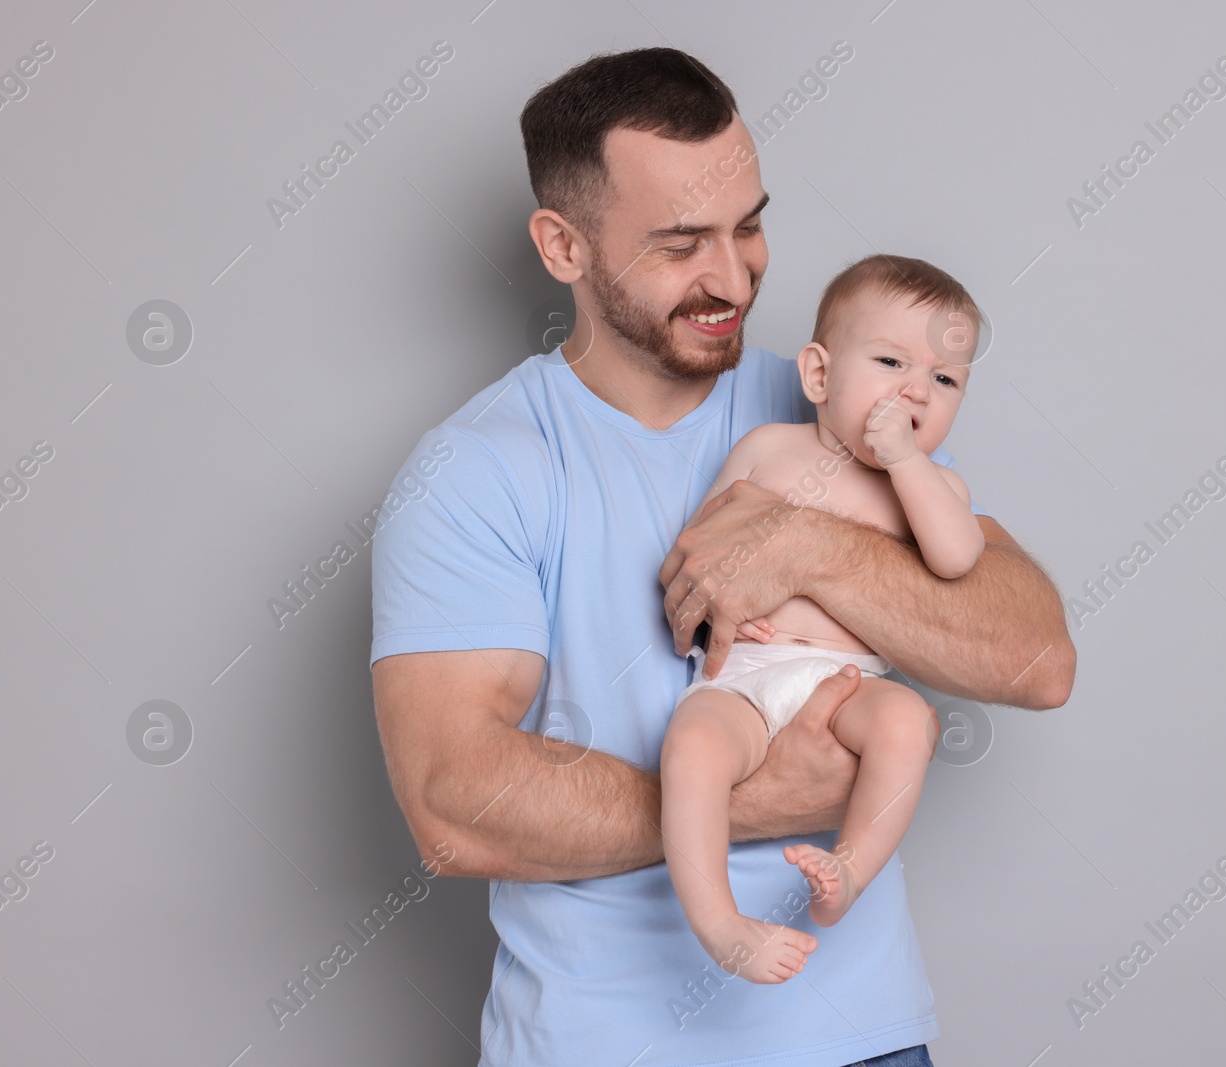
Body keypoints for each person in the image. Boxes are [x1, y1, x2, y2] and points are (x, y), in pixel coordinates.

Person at [370, 46, 1076, 1067]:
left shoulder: (843, 405)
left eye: (749, 224)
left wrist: (805, 543)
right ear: (562, 245)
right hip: (599, 1046)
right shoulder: (476, 472)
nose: (733, 273)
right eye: (680, 242)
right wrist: (758, 798)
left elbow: (1032, 656)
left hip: (858, 1039)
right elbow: (454, 806)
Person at [661, 254, 987, 985]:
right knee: (691, 750)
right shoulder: (769, 450)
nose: (916, 388)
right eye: (892, 360)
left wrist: (905, 459)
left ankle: (850, 866)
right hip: (746, 677)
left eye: (945, 380)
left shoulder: (935, 488)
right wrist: (726, 621)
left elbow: (958, 556)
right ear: (819, 375)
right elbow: (699, 561)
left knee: (908, 722)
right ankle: (719, 921)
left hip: (848, 685)